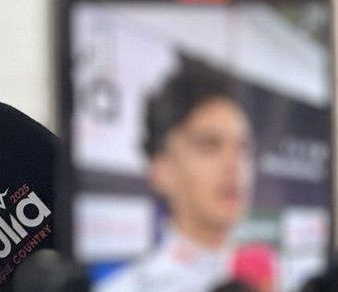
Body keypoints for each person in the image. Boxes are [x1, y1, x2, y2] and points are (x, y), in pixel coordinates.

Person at [99, 57, 258, 292]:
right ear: (160, 169)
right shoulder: (123, 288)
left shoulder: (272, 280)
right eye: (210, 145)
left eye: (243, 147)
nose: (234, 164)